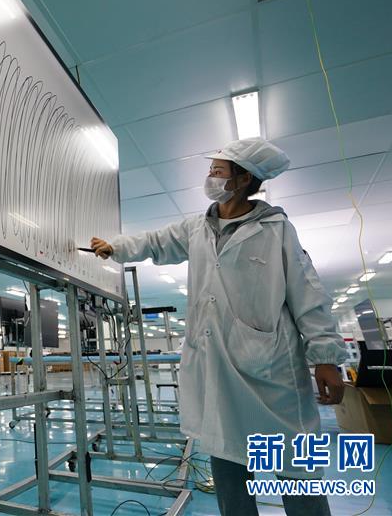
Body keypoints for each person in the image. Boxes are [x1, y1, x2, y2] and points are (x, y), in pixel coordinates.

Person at [91, 138, 346, 516]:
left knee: (295, 465)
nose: (209, 176)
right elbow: (155, 242)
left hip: (269, 369)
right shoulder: (198, 227)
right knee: (228, 463)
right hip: (216, 368)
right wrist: (116, 247)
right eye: (210, 169)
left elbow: (307, 293)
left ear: (243, 179)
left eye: (218, 170)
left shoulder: (276, 229)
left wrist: (326, 357)